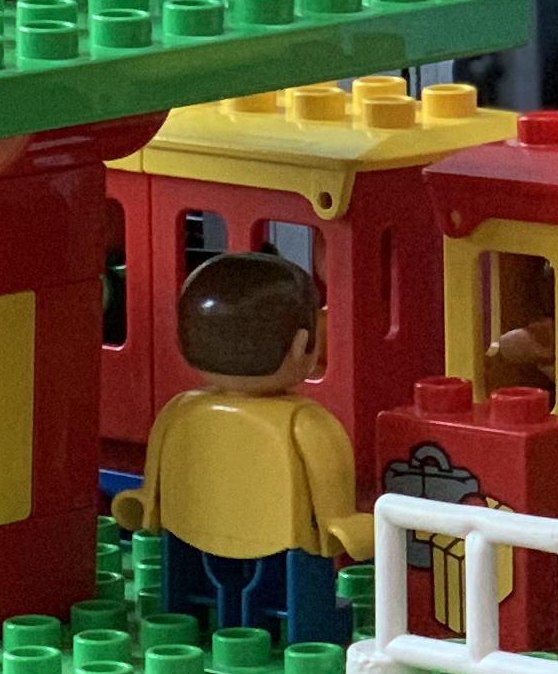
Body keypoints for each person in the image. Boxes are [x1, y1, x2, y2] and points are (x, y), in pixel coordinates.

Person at [110, 248, 376, 642]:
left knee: (186, 581)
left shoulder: (179, 412)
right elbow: (329, 482)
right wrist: (341, 525)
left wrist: (147, 506)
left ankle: (186, 618)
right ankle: (301, 632)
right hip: (284, 545)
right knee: (303, 593)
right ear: (302, 344)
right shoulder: (305, 422)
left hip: (189, 533)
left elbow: (156, 478)